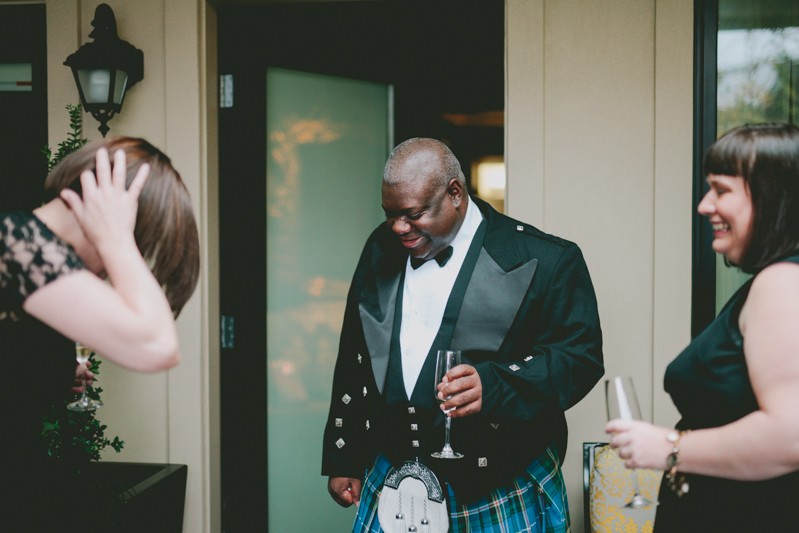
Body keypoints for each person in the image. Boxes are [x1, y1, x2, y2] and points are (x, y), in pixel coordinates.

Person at [322, 137, 603, 532]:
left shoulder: (546, 259)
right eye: (390, 214)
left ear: (455, 193)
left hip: (498, 481)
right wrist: (344, 456)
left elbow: (580, 358)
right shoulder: (380, 249)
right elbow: (355, 353)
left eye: (413, 213)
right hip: (393, 477)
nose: (398, 227)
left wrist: (496, 384)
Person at [605, 123, 799, 532]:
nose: (705, 205)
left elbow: (790, 434)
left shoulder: (781, 282)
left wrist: (670, 448)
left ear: (771, 197)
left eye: (722, 190)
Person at [0, 136, 200, 530]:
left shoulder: (26, 251)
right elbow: (157, 346)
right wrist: (116, 239)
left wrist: (55, 371)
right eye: (136, 242)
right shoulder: (15, 242)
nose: (114, 269)